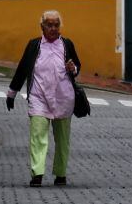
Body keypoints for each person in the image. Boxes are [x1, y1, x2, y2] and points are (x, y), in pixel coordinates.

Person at [6, 10, 81, 187]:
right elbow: (23, 68)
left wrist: (73, 68)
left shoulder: (67, 44)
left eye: (56, 25)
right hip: (39, 97)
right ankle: (37, 173)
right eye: (49, 25)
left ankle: (60, 173)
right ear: (42, 26)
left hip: (64, 98)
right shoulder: (34, 45)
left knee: (62, 139)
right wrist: (12, 93)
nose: (54, 28)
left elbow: (77, 65)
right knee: (38, 136)